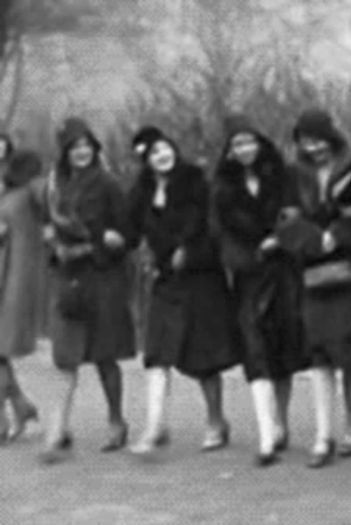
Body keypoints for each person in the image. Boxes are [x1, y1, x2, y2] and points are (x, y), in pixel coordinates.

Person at [127, 128, 240, 455]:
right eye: (153, 154)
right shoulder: (142, 192)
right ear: (146, 162)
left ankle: (216, 420)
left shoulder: (196, 183)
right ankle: (154, 425)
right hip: (166, 278)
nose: (161, 156)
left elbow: (212, 228)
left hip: (202, 278)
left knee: (204, 356)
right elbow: (130, 229)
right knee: (157, 353)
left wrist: (190, 251)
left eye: (164, 149)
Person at [283, 108, 351, 467]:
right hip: (311, 270)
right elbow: (285, 221)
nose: (314, 148)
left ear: (332, 138)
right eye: (306, 142)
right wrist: (315, 239)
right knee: (319, 352)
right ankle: (323, 433)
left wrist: (338, 234)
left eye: (319, 140)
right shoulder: (293, 176)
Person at [40, 117, 136, 463]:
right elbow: (48, 225)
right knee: (65, 355)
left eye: (86, 146)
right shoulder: (56, 186)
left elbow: (126, 232)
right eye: (74, 148)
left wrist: (110, 241)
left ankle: (116, 421)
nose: (81, 153)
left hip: (102, 277)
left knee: (103, 354)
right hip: (68, 276)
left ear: (95, 149)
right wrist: (52, 241)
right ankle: (57, 428)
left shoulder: (108, 184)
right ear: (65, 153)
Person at [213, 114, 307, 466]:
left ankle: (281, 421)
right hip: (250, 275)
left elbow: (297, 218)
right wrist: (250, 255)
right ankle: (266, 433)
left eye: (249, 141)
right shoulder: (223, 188)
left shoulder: (282, 177)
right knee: (254, 349)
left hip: (283, 271)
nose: (245, 149)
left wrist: (279, 241)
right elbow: (221, 234)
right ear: (230, 150)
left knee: (284, 347)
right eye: (237, 144)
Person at [0, 149, 46, 443]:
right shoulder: (17, 195)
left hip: (10, 278)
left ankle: (5, 420)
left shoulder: (21, 196)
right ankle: (20, 405)